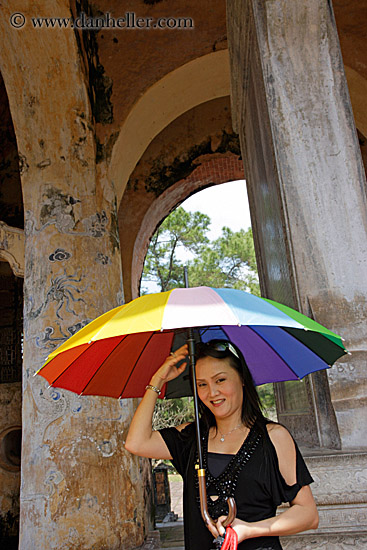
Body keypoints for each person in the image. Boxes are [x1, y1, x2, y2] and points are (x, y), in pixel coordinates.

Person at [125, 340, 319, 550]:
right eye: (202, 384)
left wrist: (249, 529)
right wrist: (158, 380)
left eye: (220, 380)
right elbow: (136, 442)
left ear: (242, 379)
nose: (212, 392)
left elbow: (308, 515)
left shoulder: (274, 437)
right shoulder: (192, 437)